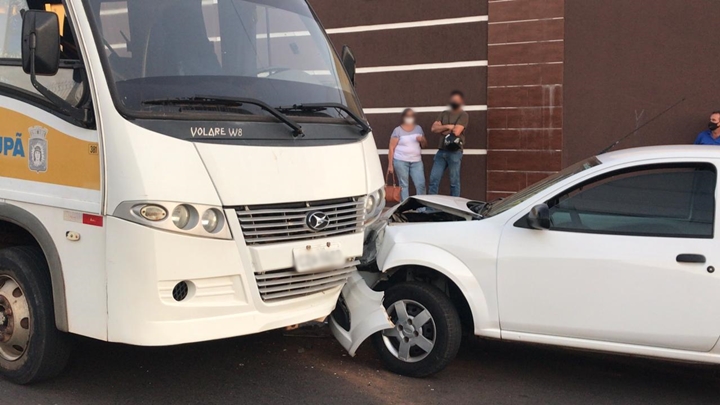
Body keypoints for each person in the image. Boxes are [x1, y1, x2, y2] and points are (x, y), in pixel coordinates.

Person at [428, 90, 469, 196]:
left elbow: (457, 131)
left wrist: (443, 129)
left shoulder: (463, 115)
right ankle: (431, 208)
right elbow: (433, 128)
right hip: (441, 151)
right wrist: (448, 126)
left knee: (454, 182)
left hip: (455, 152)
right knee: (433, 179)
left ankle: (454, 208)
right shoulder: (443, 113)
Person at [388, 109, 427, 200]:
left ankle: (422, 208)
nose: (410, 118)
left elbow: (425, 145)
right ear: (403, 117)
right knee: (403, 185)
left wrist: (422, 140)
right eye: (407, 116)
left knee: (420, 184)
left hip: (416, 161)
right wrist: (390, 165)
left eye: (411, 116)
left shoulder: (418, 128)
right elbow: (391, 148)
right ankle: (404, 207)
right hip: (401, 161)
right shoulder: (397, 130)